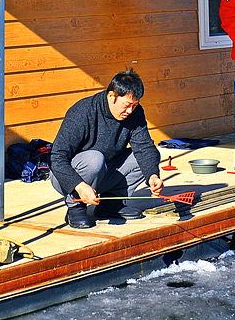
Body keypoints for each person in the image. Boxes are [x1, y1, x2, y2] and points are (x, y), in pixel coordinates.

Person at [49, 70, 164, 229]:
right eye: (126, 105)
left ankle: (110, 204)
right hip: (69, 175)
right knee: (95, 159)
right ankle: (75, 206)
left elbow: (144, 147)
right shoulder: (82, 111)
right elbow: (56, 158)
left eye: (134, 105)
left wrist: (152, 175)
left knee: (148, 156)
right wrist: (80, 186)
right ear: (111, 96)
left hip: (104, 171)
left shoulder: (135, 113)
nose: (130, 111)